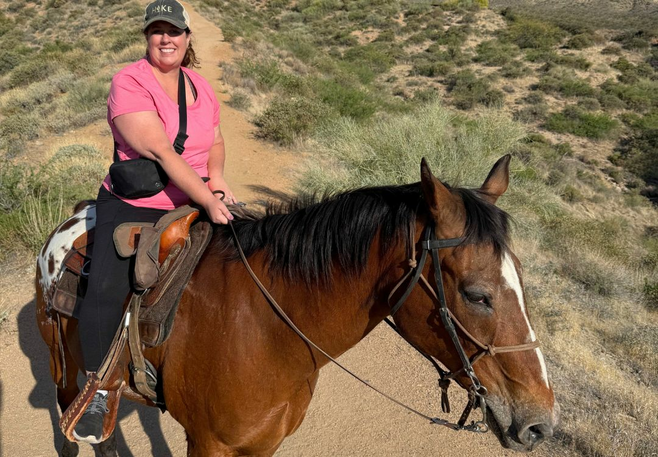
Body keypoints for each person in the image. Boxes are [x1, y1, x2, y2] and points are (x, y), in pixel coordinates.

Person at [72, 0, 235, 443]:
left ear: (186, 38)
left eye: (174, 31)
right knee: (106, 287)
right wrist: (208, 198)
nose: (166, 39)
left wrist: (216, 182)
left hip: (196, 197)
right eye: (157, 31)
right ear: (147, 37)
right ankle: (99, 390)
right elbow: (162, 151)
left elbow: (215, 139)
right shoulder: (129, 82)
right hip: (138, 202)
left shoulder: (200, 85)